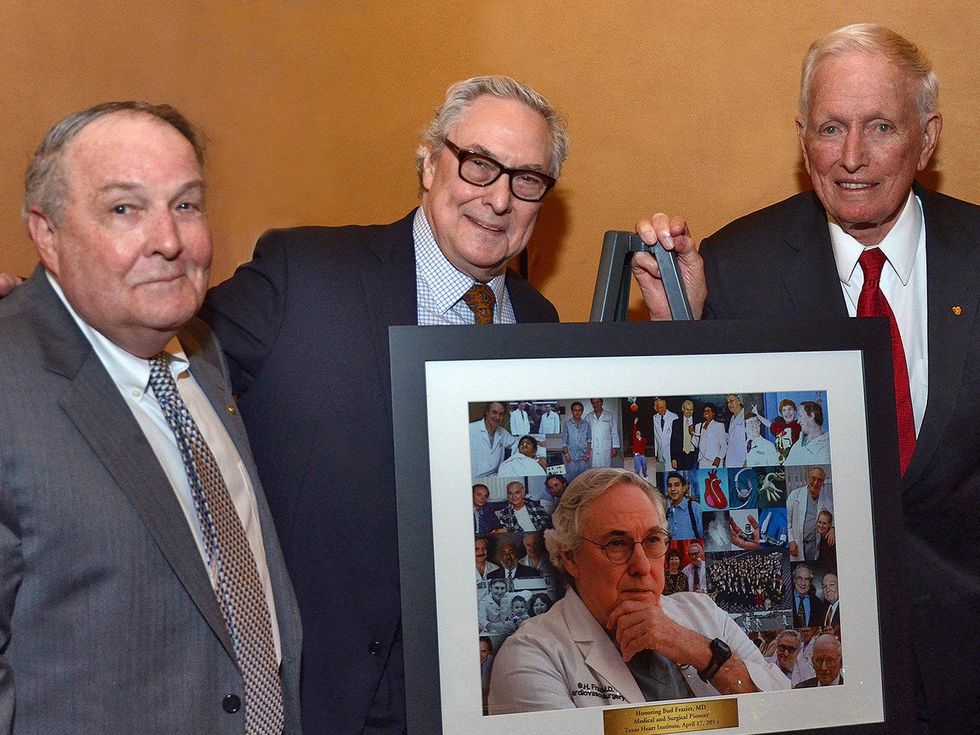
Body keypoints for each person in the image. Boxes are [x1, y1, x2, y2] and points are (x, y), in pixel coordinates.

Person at [633, 25, 979, 727]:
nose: (851, 157)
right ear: (803, 139)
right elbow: (703, 471)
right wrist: (684, 337)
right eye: (830, 128)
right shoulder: (735, 267)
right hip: (806, 669)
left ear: (928, 135)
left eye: (880, 126)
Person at [0, 102, 301, 733]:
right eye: (124, 209)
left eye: (186, 205)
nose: (169, 241)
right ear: (46, 233)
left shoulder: (200, 351)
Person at [488, 468, 788, 712]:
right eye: (617, 544)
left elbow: (786, 714)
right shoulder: (529, 657)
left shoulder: (704, 612)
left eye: (653, 540)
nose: (642, 566)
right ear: (570, 557)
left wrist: (700, 651)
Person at [786, 467, 834, 562]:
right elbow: (786, 520)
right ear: (808, 478)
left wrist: (832, 529)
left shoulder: (826, 500)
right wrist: (791, 541)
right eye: (813, 478)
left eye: (819, 480)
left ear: (822, 483)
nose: (816, 483)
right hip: (797, 544)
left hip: (814, 545)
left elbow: (834, 517)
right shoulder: (795, 495)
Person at [470, 401, 518, 477]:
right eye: (494, 412)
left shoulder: (502, 433)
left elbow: (516, 443)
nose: (497, 417)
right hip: (475, 477)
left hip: (496, 476)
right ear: (487, 412)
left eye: (501, 414)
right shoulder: (471, 429)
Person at [784, 401, 831, 465]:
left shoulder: (826, 447)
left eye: (800, 416)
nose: (798, 421)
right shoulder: (798, 443)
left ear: (812, 415)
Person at [664, 472, 703, 540]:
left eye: (676, 485)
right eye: (669, 486)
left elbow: (703, 536)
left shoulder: (695, 508)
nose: (673, 489)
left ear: (684, 488)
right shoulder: (668, 513)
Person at [560, 400, 592, 482]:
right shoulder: (567, 424)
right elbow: (564, 441)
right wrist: (566, 454)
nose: (577, 412)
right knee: (571, 480)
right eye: (575, 410)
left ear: (582, 411)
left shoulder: (586, 424)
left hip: (583, 457)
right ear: (572, 411)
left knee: (583, 480)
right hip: (571, 458)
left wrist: (588, 453)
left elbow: (589, 439)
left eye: (579, 410)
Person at [585, 398, 620, 468]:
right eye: (594, 403)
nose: (596, 404)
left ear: (602, 402)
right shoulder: (588, 417)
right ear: (592, 404)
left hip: (606, 447)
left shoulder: (609, 415)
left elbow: (614, 432)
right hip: (593, 448)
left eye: (598, 402)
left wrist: (615, 447)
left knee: (606, 468)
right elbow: (585, 434)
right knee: (594, 469)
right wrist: (586, 449)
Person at [691, 403, 727, 469]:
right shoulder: (698, 426)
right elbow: (697, 445)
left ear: (713, 414)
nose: (706, 412)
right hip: (702, 461)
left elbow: (724, 445)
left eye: (709, 410)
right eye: (705, 410)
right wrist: (692, 434)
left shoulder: (719, 426)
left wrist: (719, 458)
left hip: (714, 460)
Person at [670, 399, 698, 469]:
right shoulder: (676, 423)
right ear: (683, 409)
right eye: (687, 409)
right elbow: (673, 441)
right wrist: (673, 458)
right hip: (680, 456)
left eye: (691, 410)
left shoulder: (698, 422)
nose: (689, 412)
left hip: (694, 456)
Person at [651, 398, 678, 468]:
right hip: (660, 455)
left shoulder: (674, 417)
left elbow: (677, 439)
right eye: (660, 407)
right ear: (655, 408)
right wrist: (655, 454)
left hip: (671, 454)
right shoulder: (654, 418)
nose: (663, 409)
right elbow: (655, 437)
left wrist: (675, 457)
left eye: (664, 406)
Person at [724, 394, 747, 468]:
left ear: (739, 401)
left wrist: (747, 460)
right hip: (731, 460)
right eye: (727, 402)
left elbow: (752, 439)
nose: (729, 404)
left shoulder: (746, 416)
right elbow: (732, 438)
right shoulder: (732, 418)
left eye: (731, 401)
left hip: (742, 461)